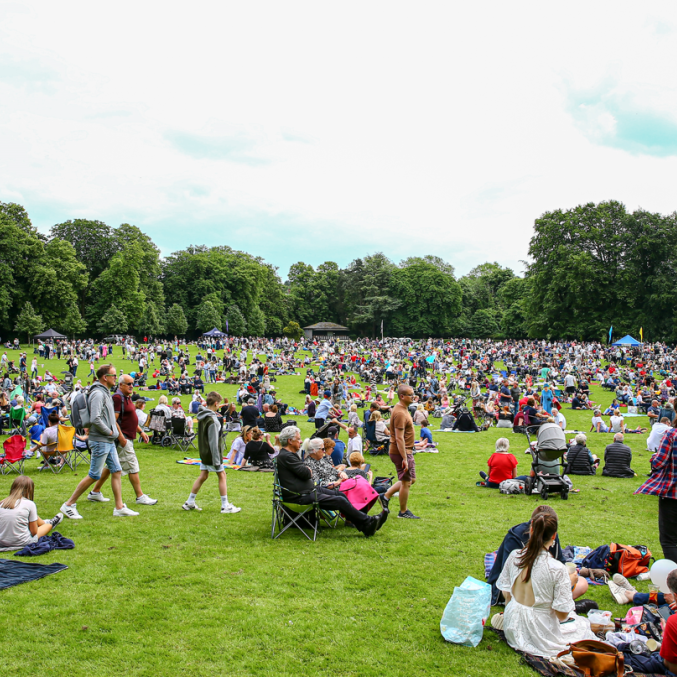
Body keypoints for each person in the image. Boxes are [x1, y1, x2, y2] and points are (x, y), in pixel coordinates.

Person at [495, 509, 595, 657]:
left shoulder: (515, 555)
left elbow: (506, 594)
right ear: (554, 536)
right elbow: (562, 616)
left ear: (531, 528)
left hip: (512, 623)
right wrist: (567, 585)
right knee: (581, 627)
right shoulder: (557, 569)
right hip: (538, 630)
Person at [274, 426, 386, 537]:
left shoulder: (290, 455)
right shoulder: (287, 456)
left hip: (308, 490)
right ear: (290, 441)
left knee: (340, 494)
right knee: (339, 500)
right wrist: (308, 471)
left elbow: (305, 472)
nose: (301, 441)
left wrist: (308, 471)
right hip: (300, 496)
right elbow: (307, 473)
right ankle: (368, 523)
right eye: (298, 439)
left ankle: (364, 524)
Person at [61, 364, 139, 519]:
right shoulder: (98, 393)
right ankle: (69, 505)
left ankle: (119, 507)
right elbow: (95, 418)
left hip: (108, 440)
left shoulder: (104, 392)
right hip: (101, 440)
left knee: (116, 471)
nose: (116, 378)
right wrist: (110, 432)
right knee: (94, 475)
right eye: (114, 375)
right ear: (105, 377)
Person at [487, 505, 588, 606]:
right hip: (520, 586)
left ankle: (555, 602)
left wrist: (566, 574)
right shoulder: (515, 539)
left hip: (542, 586)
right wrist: (565, 584)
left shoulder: (551, 535)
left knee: (582, 583)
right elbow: (511, 576)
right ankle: (558, 604)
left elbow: (560, 561)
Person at [87, 374, 157, 507]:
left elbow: (130, 418)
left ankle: (95, 492)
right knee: (132, 466)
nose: (132, 386)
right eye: (128, 383)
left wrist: (141, 432)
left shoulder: (127, 397)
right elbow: (113, 420)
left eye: (133, 383)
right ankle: (140, 496)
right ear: (121, 385)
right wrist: (121, 438)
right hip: (123, 438)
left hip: (127, 436)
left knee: (110, 467)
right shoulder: (118, 398)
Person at [182, 391, 240, 514]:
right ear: (215, 403)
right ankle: (225, 505)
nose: (219, 406)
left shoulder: (202, 415)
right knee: (222, 475)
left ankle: (190, 502)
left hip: (204, 453)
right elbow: (213, 442)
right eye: (218, 404)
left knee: (203, 475)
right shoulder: (212, 420)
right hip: (212, 454)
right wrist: (217, 460)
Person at [382, 384, 420, 519]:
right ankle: (403, 512)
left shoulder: (402, 409)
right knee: (406, 482)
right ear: (402, 396)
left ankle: (386, 495)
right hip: (401, 451)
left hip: (406, 451)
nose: (414, 396)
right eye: (411, 394)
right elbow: (399, 438)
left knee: (411, 479)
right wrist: (404, 458)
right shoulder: (399, 412)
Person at [0, 477, 63, 549]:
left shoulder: (2, 503)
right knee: (48, 526)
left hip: (2, 542)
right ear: (30, 490)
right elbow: (34, 532)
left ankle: (43, 522)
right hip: (22, 542)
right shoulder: (29, 504)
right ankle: (49, 523)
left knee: (30, 515)